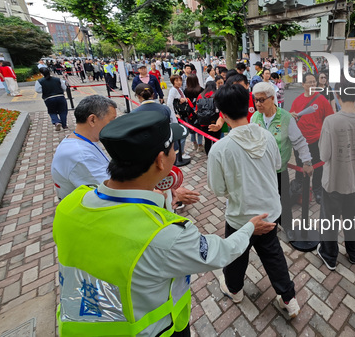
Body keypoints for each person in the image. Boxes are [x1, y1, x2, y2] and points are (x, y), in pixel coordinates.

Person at [53, 111, 275, 336]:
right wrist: (250, 228)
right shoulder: (164, 234)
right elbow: (220, 253)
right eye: (173, 149)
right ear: (161, 160)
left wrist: (167, 197)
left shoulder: (71, 203)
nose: (176, 152)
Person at [208, 84, 300, 319]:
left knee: (236, 253)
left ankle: (235, 290)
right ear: (249, 107)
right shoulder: (267, 136)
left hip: (241, 216)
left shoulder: (220, 149)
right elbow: (278, 166)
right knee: (273, 254)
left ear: (223, 114)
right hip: (269, 210)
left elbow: (218, 189)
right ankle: (288, 299)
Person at [316, 80, 355, 269]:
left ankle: (329, 255)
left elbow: (324, 155)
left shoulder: (331, 121)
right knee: (352, 220)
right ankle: (353, 253)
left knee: (330, 221)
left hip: (334, 181)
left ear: (337, 95)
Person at [250, 82, 312, 240]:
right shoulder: (255, 117)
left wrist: (307, 162)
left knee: (283, 199)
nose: (258, 103)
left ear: (272, 99)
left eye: (262, 100)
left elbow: (299, 142)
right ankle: (269, 224)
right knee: (263, 199)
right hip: (260, 170)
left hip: (279, 170)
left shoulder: (285, 118)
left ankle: (287, 226)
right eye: (255, 99)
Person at [51, 96, 118, 199]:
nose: (114, 126)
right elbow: (113, 191)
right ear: (92, 120)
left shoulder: (79, 140)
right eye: (112, 120)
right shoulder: (81, 155)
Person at [290, 73, 334, 204]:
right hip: (299, 142)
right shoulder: (297, 101)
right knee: (300, 166)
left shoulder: (322, 100)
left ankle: (317, 189)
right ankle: (300, 189)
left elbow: (329, 119)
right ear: (303, 84)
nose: (312, 84)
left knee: (318, 167)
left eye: (314, 82)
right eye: (309, 82)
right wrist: (291, 115)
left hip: (317, 140)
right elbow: (291, 118)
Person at [35, 67, 68, 131]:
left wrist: (45, 89)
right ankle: (64, 126)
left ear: (41, 73)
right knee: (63, 111)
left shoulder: (39, 81)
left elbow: (38, 90)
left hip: (49, 98)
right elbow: (64, 88)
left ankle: (56, 122)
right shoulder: (58, 79)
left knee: (52, 111)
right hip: (60, 96)